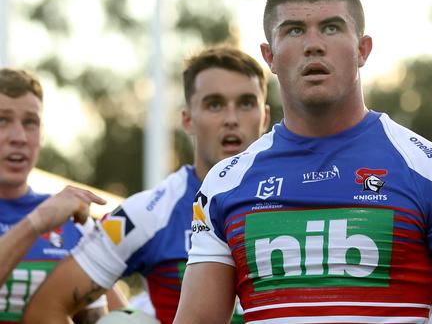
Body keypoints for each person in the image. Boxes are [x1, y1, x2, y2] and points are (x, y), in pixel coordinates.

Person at [174, 0, 432, 324]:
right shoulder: (223, 184)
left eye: (331, 27)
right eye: (294, 30)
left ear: (363, 49)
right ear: (269, 56)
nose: (313, 44)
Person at [23, 45, 271, 324]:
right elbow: (45, 308)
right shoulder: (149, 211)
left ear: (265, 117)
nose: (231, 119)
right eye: (214, 104)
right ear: (187, 119)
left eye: (246, 103)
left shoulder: (300, 194)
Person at [0, 68, 114, 323]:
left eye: (30, 122)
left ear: (41, 134)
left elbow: (105, 318)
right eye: (2, 120)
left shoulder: (72, 221)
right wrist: (36, 223)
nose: (18, 137)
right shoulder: (50, 214)